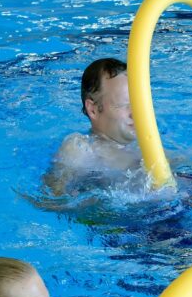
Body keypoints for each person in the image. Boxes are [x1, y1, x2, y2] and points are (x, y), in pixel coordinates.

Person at [46, 58, 141, 196]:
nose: (136, 113)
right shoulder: (80, 149)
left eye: (138, 103)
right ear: (93, 109)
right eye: (123, 105)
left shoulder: (142, 147)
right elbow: (52, 200)